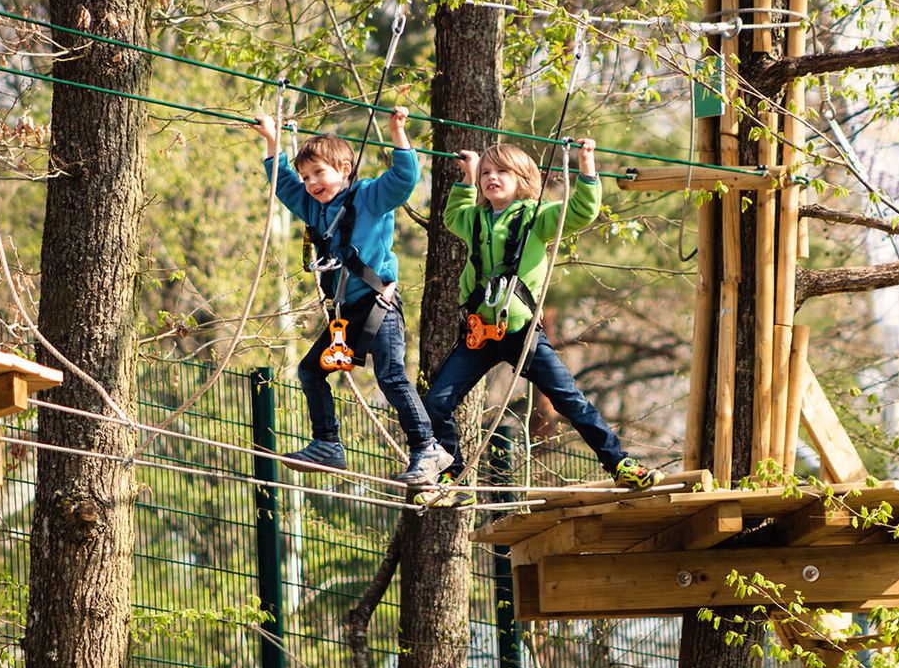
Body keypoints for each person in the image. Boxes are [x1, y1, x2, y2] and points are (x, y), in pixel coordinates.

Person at [419, 138, 663, 503]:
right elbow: (453, 215)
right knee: (437, 399)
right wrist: (467, 177)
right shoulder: (474, 218)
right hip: (479, 333)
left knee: (569, 400)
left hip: (521, 334)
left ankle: (620, 463)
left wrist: (586, 165)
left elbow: (580, 212)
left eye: (502, 172)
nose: (492, 178)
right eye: (487, 173)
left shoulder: (536, 217)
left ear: (523, 180)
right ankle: (452, 475)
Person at [252, 107, 452, 485]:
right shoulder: (313, 207)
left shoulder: (370, 197)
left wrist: (396, 132)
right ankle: (328, 443)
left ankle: (428, 447)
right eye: (307, 176)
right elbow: (283, 184)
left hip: (379, 306)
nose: (311, 183)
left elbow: (404, 179)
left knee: (391, 376)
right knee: (310, 370)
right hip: (345, 313)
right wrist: (271, 140)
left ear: (345, 170)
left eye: (319, 174)